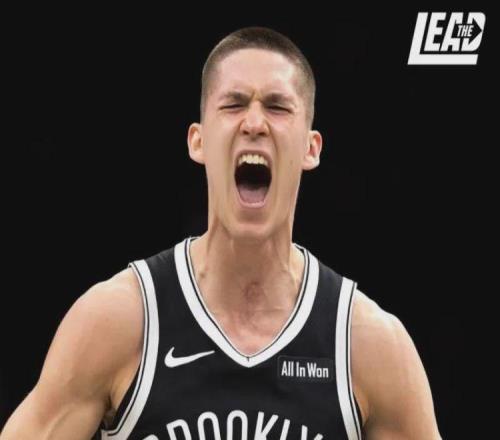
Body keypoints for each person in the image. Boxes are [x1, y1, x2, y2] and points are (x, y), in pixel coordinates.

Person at [0, 27, 442, 440]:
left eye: (277, 107)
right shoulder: (120, 320)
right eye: (233, 105)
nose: (254, 123)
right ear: (198, 141)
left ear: (311, 147)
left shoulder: (366, 344)